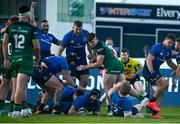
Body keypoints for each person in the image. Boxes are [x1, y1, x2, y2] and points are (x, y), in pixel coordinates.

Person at [77, 33, 149, 115]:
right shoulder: (99, 44)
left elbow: (99, 63)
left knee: (108, 90)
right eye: (90, 43)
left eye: (93, 42)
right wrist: (92, 57)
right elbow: (96, 58)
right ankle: (142, 98)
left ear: (96, 39)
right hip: (119, 65)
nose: (91, 44)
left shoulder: (100, 48)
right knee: (124, 87)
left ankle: (111, 109)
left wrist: (85, 67)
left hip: (111, 67)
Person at [2, 5, 41, 118]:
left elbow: (4, 44)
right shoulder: (31, 28)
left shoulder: (10, 27)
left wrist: (6, 59)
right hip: (25, 58)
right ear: (28, 14)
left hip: (13, 58)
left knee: (17, 86)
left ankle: (22, 109)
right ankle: (16, 110)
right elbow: (37, 47)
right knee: (21, 86)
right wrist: (38, 58)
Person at [143, 33, 177, 118]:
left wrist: (177, 68)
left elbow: (169, 62)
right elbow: (149, 60)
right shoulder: (157, 47)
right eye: (169, 42)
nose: (170, 45)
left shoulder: (168, 50)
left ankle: (154, 113)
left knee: (161, 92)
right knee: (164, 85)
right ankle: (151, 102)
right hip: (148, 71)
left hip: (156, 71)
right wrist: (152, 72)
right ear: (165, 40)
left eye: (171, 44)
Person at [58, 20, 90, 88]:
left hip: (82, 61)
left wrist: (91, 54)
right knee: (72, 82)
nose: (78, 31)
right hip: (71, 62)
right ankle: (65, 88)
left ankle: (78, 96)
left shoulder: (86, 33)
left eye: (80, 29)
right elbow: (60, 50)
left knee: (85, 82)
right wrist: (60, 61)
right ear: (73, 28)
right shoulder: (67, 36)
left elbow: (89, 45)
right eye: (76, 29)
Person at [0, 15, 19, 116]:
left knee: (4, 84)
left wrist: (5, 59)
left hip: (5, 61)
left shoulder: (5, 32)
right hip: (16, 61)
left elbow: (3, 45)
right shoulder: (19, 32)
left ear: (9, 22)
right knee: (15, 86)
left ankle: (0, 108)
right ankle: (12, 109)